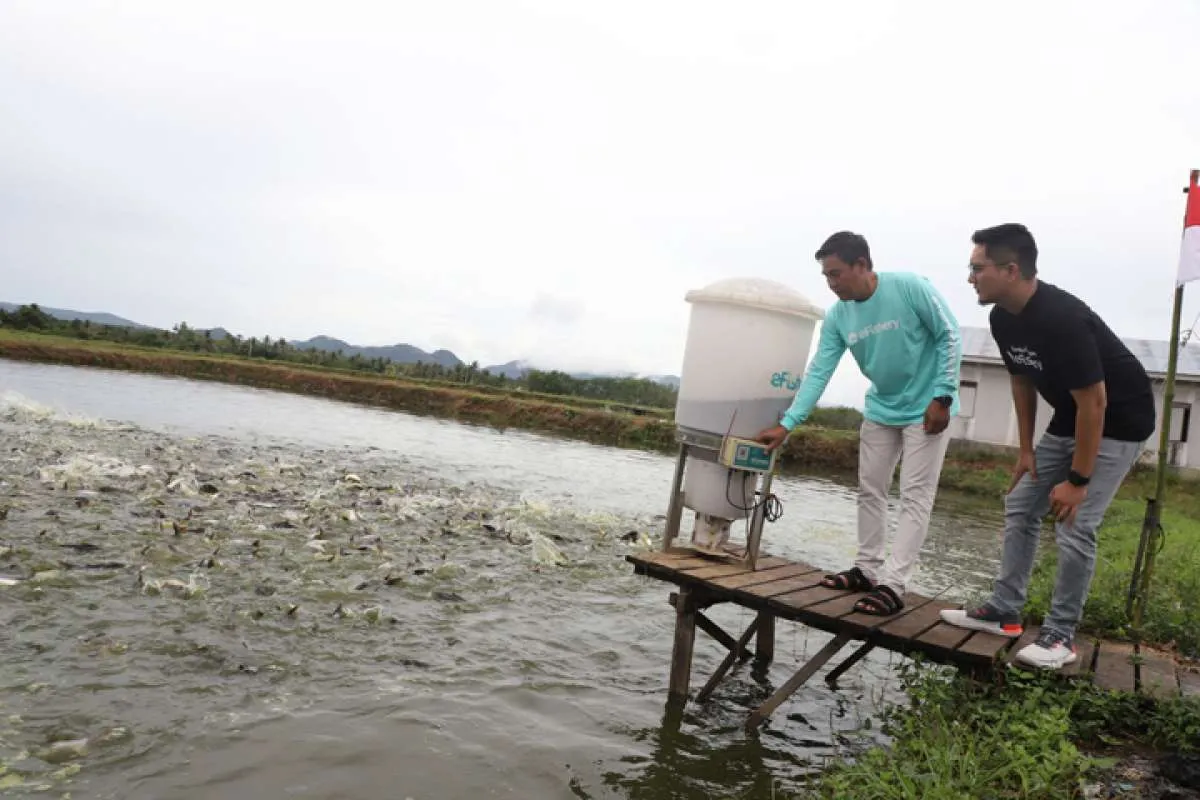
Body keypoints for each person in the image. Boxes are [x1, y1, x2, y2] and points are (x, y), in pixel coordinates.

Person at [940, 223, 1155, 669]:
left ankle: (1060, 636)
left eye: (977, 268)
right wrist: (1026, 450)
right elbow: (1022, 381)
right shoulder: (1002, 317)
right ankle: (1004, 611)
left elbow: (1096, 402)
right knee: (1021, 503)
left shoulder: (1062, 318)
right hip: (1072, 414)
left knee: (1076, 522)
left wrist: (1078, 480)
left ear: (1011, 269)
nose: (970, 278)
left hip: (1120, 418)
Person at [756, 231, 962, 616]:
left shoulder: (910, 287)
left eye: (836, 274)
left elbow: (950, 336)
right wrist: (788, 424)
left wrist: (944, 395)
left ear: (862, 265)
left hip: (928, 409)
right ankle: (867, 569)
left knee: (916, 496)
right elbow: (819, 371)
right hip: (882, 409)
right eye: (826, 277)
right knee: (870, 488)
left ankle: (894, 584)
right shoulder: (838, 316)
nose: (832, 284)